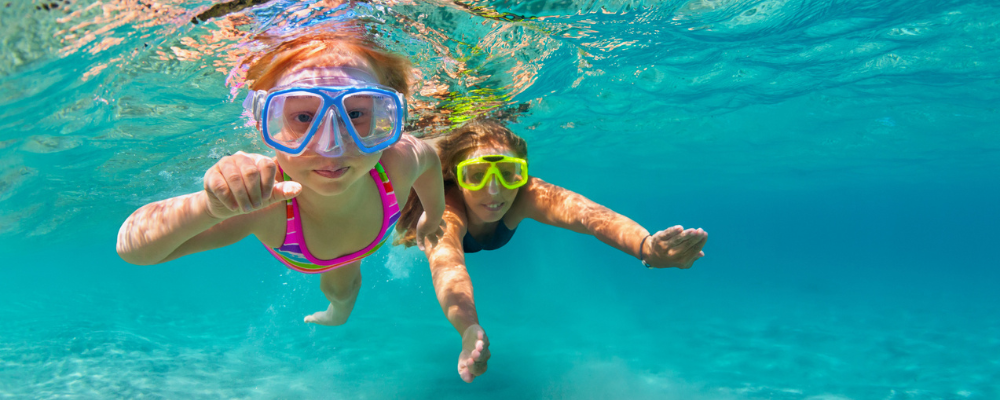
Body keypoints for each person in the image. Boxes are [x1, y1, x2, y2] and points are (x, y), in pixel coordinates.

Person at [116, 28, 446, 326]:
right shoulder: (263, 199)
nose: (331, 146)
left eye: (356, 113)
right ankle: (337, 312)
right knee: (340, 286)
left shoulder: (399, 159)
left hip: (359, 248)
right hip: (306, 251)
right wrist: (210, 207)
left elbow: (430, 164)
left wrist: (431, 216)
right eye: (303, 117)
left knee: (345, 287)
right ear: (266, 122)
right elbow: (133, 249)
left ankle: (338, 313)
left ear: (387, 113)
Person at [396, 118, 708, 382]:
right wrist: (467, 329)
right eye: (476, 175)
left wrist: (646, 248)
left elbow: (588, 216)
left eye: (508, 173)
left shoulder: (525, 195)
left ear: (523, 174)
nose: (494, 190)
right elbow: (449, 267)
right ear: (457, 178)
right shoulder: (445, 211)